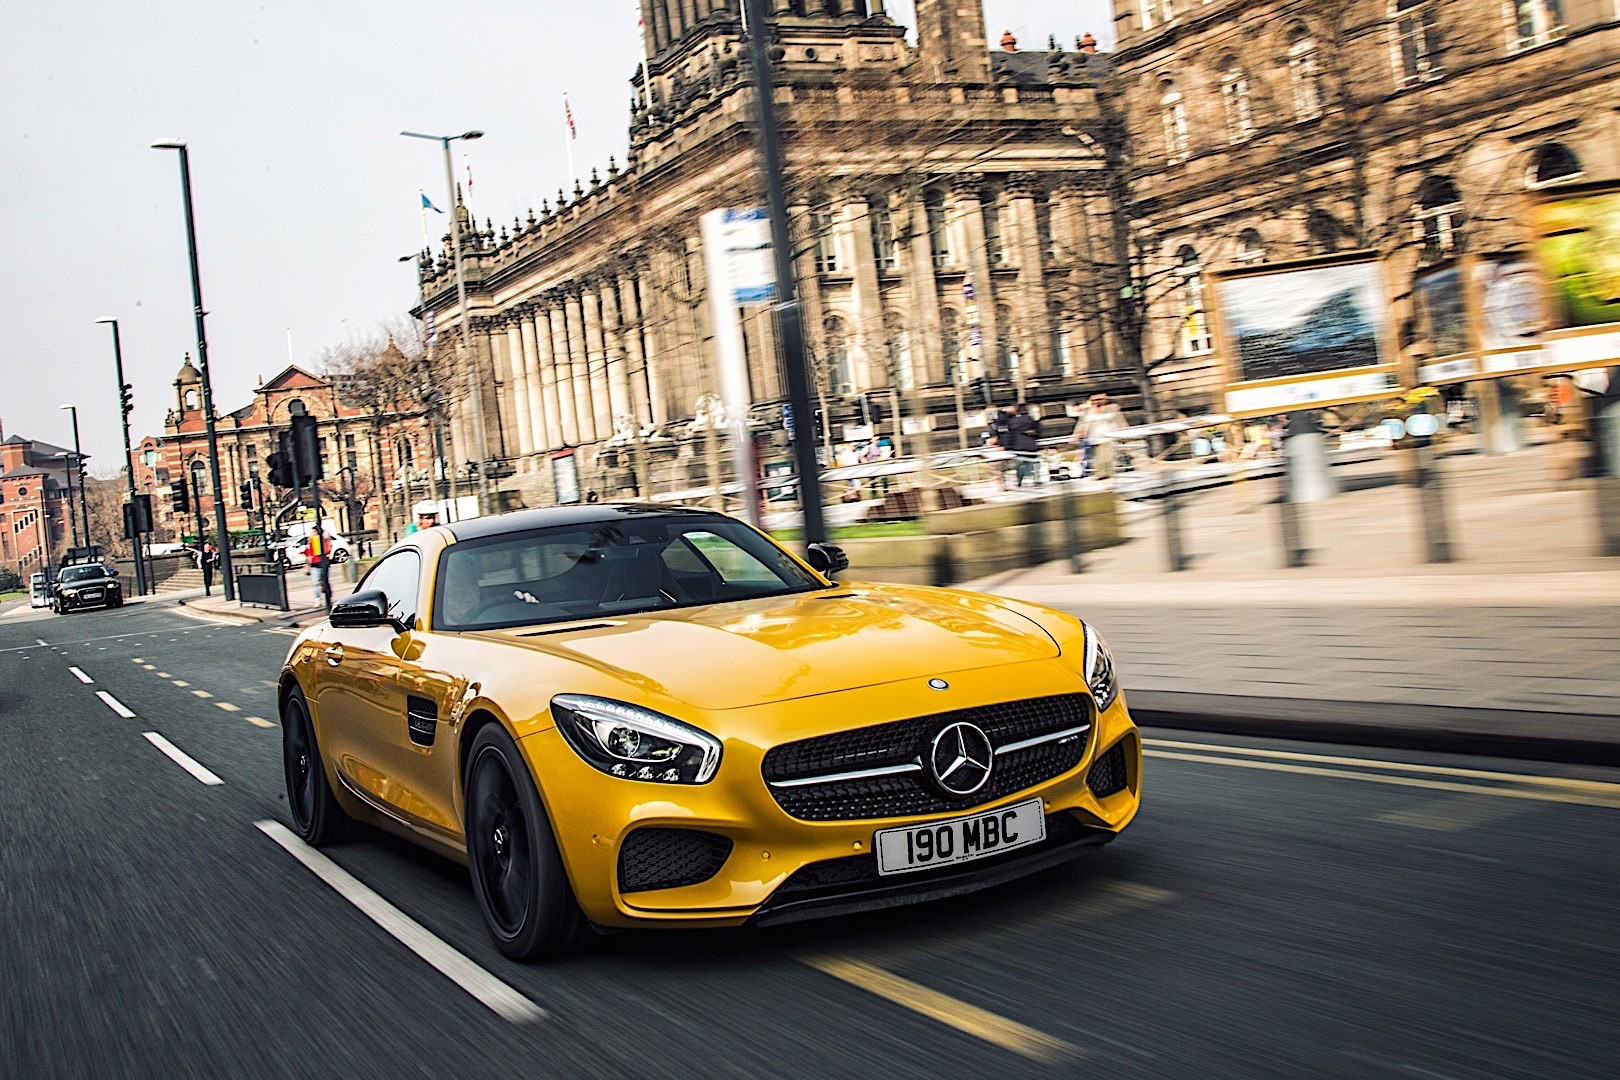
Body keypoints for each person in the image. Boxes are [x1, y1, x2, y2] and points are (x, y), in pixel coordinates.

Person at [1071, 393, 1125, 479]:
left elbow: (1120, 421)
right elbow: (1081, 423)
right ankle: (1102, 475)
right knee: (1098, 459)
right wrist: (1076, 435)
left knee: (1107, 457)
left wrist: (1125, 434)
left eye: (1100, 399)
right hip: (1094, 438)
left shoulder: (1113, 408)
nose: (1097, 402)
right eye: (1094, 400)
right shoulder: (1088, 411)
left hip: (1108, 437)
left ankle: (1106, 475)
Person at [1006, 402, 1042, 487]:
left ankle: (1019, 481)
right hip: (1031, 445)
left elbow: (1009, 433)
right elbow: (1038, 429)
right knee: (1034, 464)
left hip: (1018, 445)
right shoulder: (1030, 419)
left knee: (1019, 465)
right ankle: (1036, 481)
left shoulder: (1012, 421)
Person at [303, 529, 332, 609]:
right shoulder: (310, 542)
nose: (313, 534)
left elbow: (328, 550)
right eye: (312, 532)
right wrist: (308, 563)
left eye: (315, 532)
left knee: (325, 582)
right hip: (314, 565)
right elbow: (308, 553)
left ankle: (328, 597)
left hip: (323, 564)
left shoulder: (324, 541)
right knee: (316, 583)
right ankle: (317, 599)